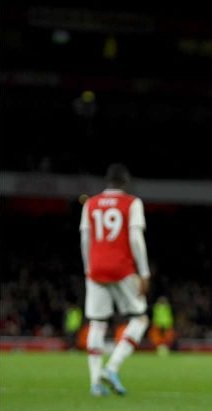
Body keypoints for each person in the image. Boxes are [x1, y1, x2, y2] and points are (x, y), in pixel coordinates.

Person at [80, 163, 151, 396]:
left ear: (107, 182)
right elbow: (135, 238)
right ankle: (111, 367)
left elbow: (85, 239)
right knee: (139, 320)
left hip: (96, 269)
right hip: (122, 269)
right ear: (125, 182)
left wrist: (88, 268)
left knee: (97, 324)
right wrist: (144, 273)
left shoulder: (90, 203)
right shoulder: (132, 203)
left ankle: (94, 383)